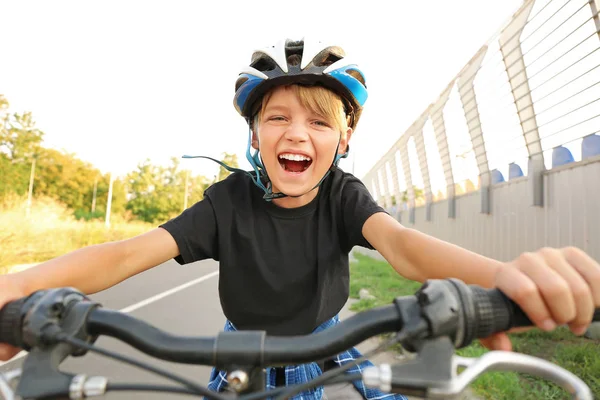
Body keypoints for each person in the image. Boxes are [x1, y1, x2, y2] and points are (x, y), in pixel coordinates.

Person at [0, 38, 599, 400]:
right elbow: (129, 253)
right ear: (255, 135)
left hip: (329, 343)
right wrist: (22, 285)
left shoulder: (343, 195)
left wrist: (509, 276)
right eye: (277, 118)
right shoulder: (226, 202)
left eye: (317, 121)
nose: (295, 133)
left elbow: (404, 248)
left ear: (342, 140)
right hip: (243, 349)